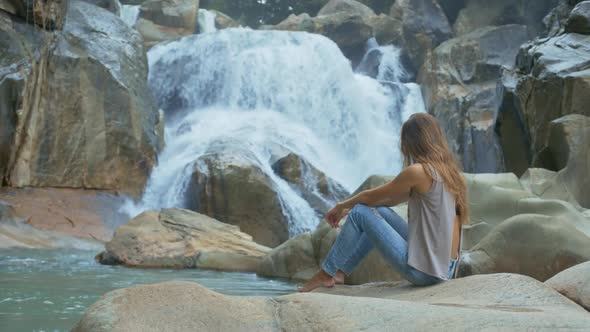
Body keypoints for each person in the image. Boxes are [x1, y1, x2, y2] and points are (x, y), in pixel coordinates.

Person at [298, 113, 469, 292]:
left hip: (425, 273)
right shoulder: (451, 174)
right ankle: (340, 271)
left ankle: (325, 274)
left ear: (411, 143)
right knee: (380, 211)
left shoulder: (419, 171)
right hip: (445, 268)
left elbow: (369, 197)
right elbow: (387, 200)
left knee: (359, 213)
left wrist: (342, 206)